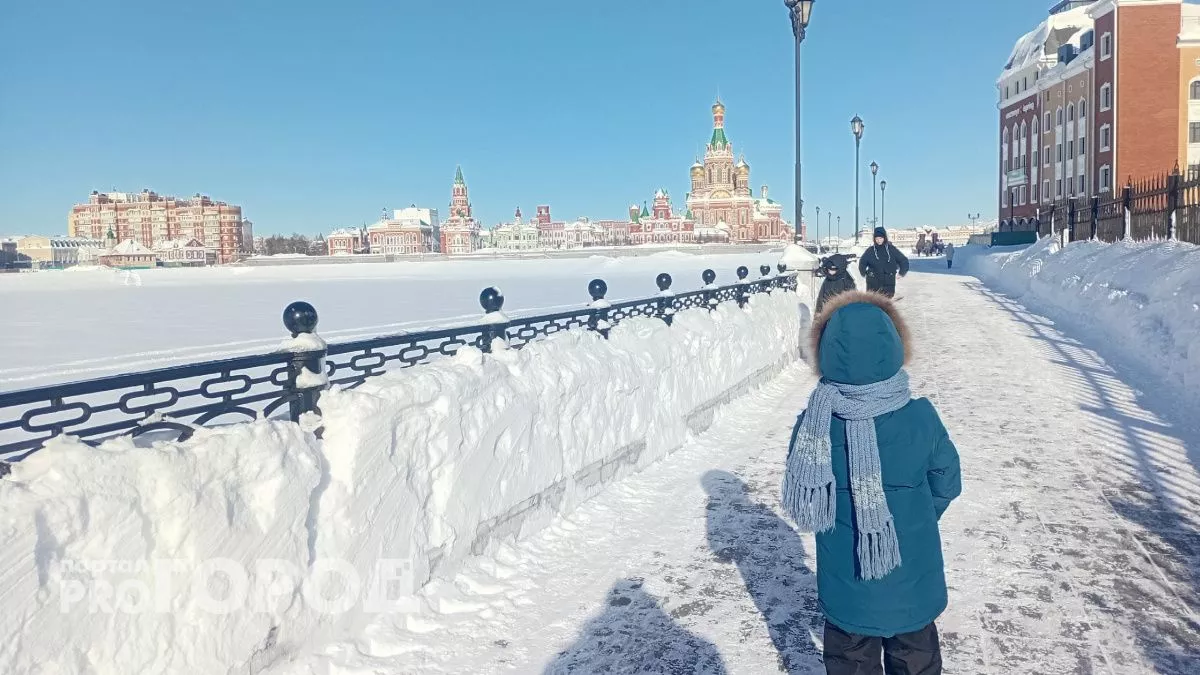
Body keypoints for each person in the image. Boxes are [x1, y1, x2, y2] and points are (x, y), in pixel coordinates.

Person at [782, 290, 961, 675]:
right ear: (894, 346)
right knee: (916, 659)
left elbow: (805, 493)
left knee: (850, 662)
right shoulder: (920, 418)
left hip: (846, 583)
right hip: (912, 576)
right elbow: (947, 482)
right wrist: (916, 516)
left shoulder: (813, 423)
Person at [858, 227, 909, 298]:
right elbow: (862, 262)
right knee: (873, 304)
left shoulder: (891, 250)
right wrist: (863, 272)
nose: (878, 240)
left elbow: (903, 260)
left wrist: (902, 272)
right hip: (873, 284)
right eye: (877, 238)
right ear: (874, 239)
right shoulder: (870, 251)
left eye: (880, 238)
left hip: (888, 283)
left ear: (884, 238)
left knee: (885, 304)